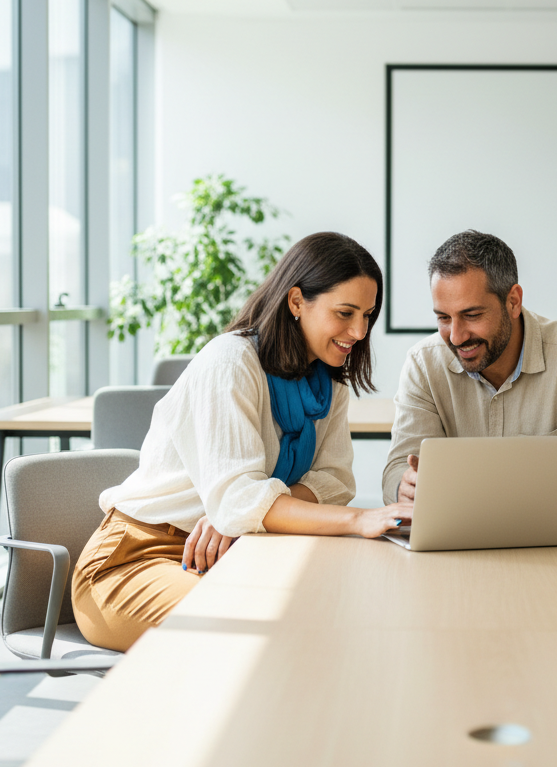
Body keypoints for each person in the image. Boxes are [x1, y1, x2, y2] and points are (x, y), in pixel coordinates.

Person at [73, 231, 412, 652]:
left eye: (367, 315)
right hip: (134, 560)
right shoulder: (230, 362)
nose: (359, 331)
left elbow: (335, 482)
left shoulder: (330, 387)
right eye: (345, 313)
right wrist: (356, 520)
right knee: (254, 630)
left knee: (332, 610)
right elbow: (243, 499)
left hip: (234, 551)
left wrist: (248, 511)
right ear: (295, 302)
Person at [383, 230, 557, 523]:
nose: (456, 337)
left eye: (471, 315)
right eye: (444, 318)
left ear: (513, 301)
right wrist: (404, 488)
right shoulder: (423, 364)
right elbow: (397, 469)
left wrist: (548, 507)